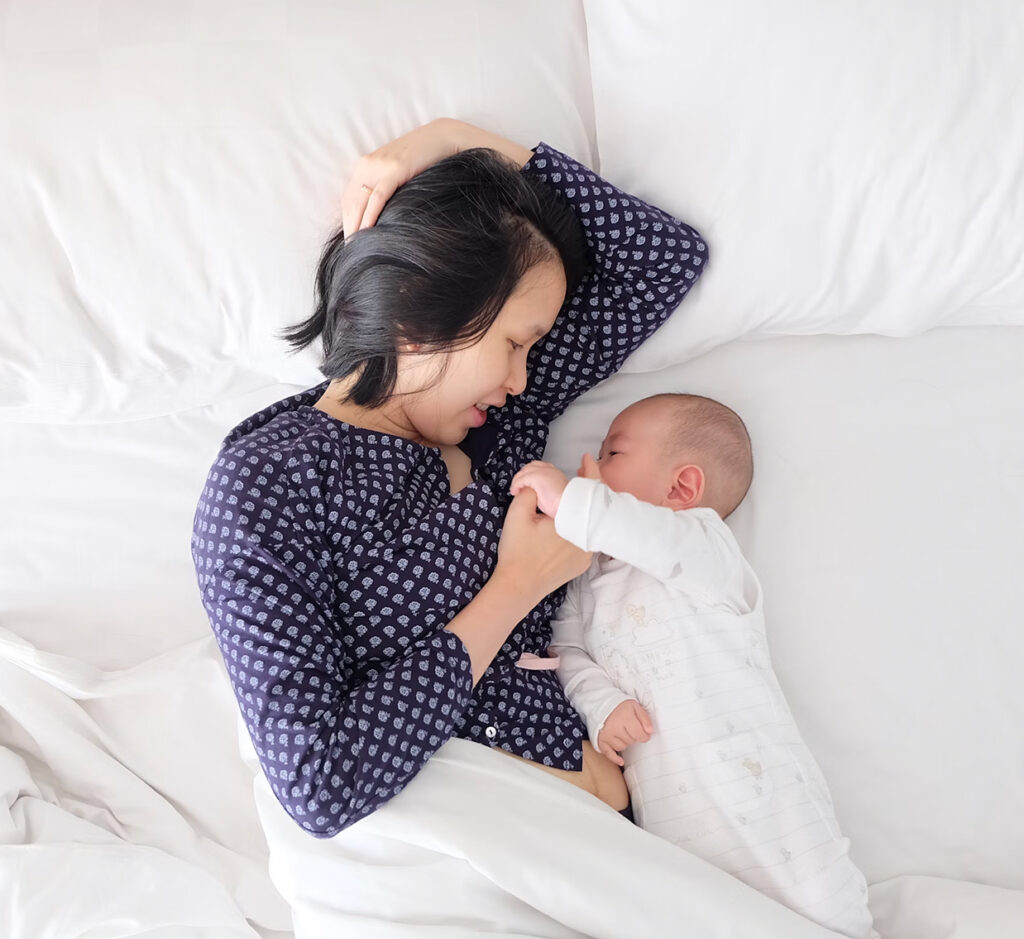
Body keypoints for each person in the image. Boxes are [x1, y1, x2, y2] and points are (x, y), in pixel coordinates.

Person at [190, 118, 708, 837]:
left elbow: (662, 260)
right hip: (469, 854)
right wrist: (515, 587)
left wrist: (458, 140)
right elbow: (318, 782)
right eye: (515, 343)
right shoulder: (268, 482)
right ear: (420, 309)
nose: (524, 374)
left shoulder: (502, 423)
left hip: (611, 841)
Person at [509, 393, 881, 939]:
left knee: (829, 919)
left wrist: (573, 499)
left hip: (768, 800)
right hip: (678, 831)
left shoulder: (704, 546)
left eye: (611, 453)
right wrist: (602, 705)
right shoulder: (590, 575)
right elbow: (569, 653)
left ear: (681, 489)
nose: (591, 464)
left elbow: (639, 532)